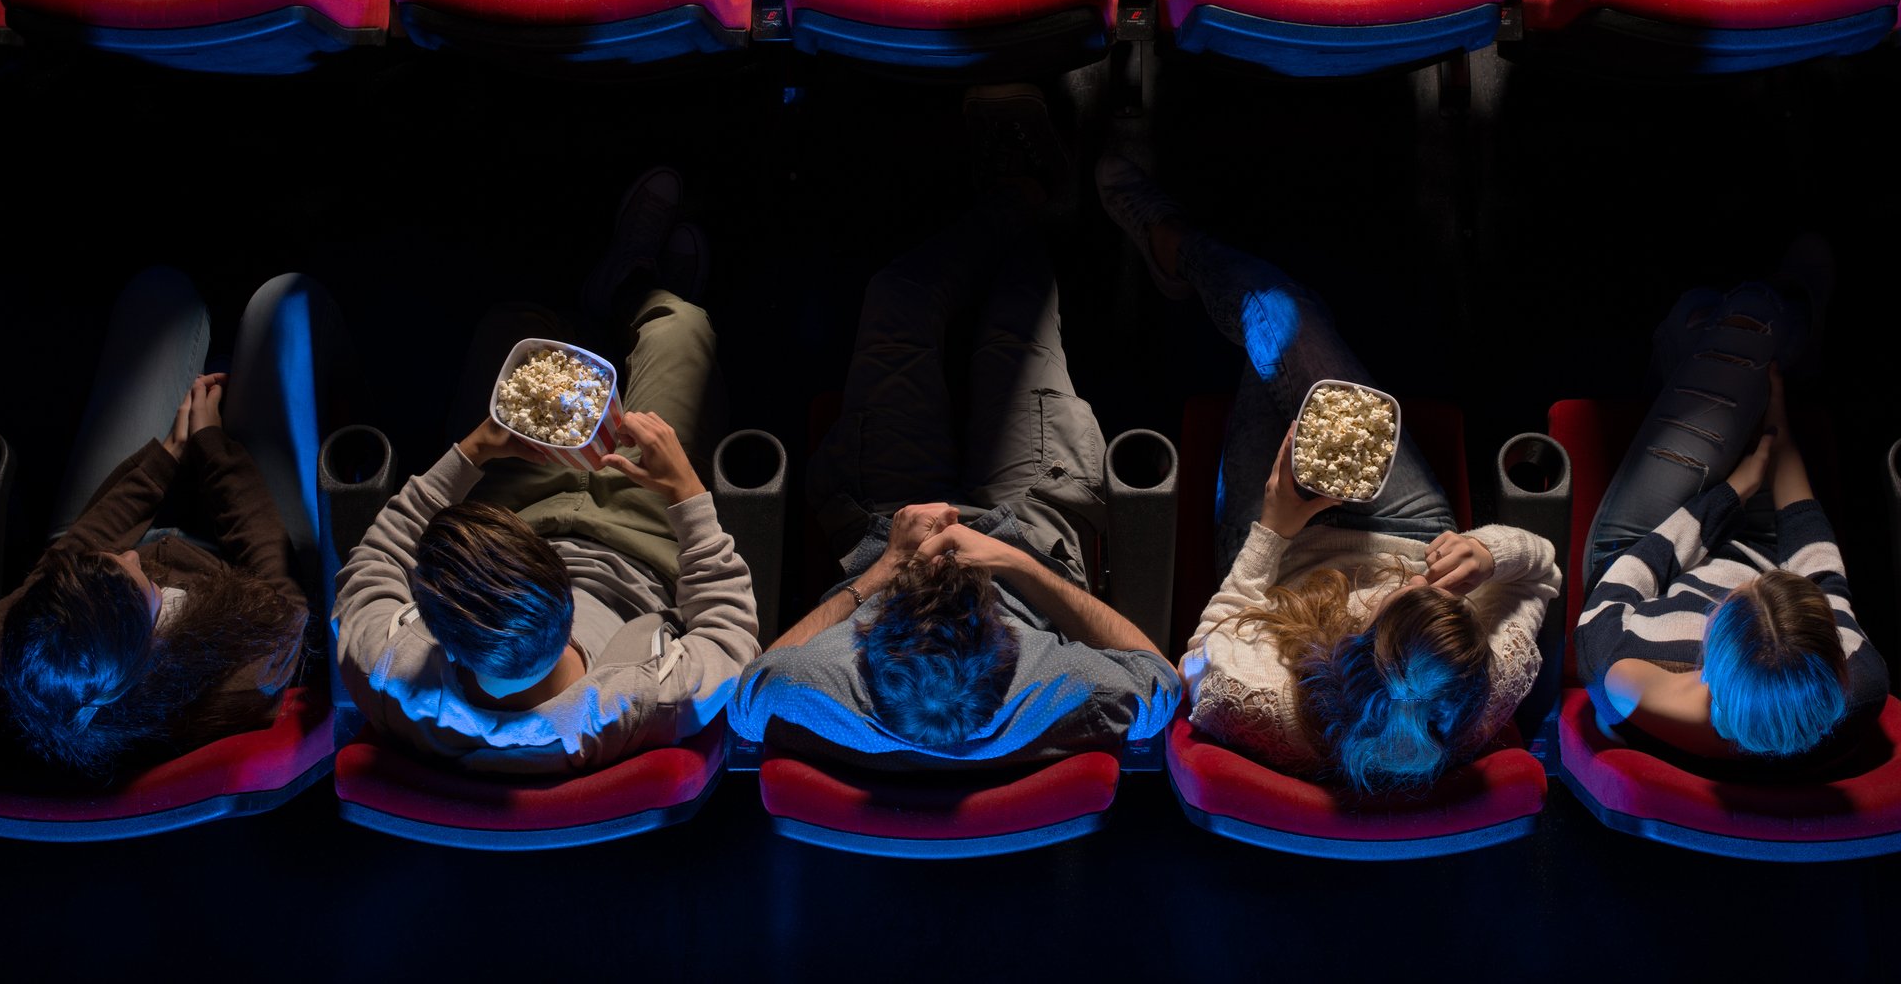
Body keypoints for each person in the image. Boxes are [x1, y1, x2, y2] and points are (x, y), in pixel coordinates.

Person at [728, 90, 1181, 769]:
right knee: (1017, 318)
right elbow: (1163, 684)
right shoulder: (1055, 690)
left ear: (865, 651)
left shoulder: (820, 688)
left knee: (896, 298)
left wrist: (892, 565)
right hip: (1030, 530)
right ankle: (1028, 201)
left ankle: (1010, 198)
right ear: (1009, 649)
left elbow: (748, 692)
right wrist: (1010, 563)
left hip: (883, 523)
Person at [1096, 154, 1562, 791]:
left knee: (1280, 319)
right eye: (1449, 601)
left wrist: (1274, 526)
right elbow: (1543, 572)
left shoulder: (1252, 698)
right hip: (1408, 527)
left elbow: (1203, 651)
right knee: (1279, 327)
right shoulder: (1485, 689)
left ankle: (1177, 250)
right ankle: (1204, 264)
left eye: (1417, 599)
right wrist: (1488, 551)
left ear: (1352, 645)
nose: (1438, 587)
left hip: (1281, 563)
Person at [334, 167, 759, 774]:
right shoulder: (647, 701)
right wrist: (688, 495)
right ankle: (635, 289)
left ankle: (597, 294)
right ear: (565, 599)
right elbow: (731, 634)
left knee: (512, 329)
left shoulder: (385, 667)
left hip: (512, 519)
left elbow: (374, 563)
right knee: (684, 329)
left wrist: (475, 451)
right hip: (646, 543)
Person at [0, 267, 341, 779]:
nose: (131, 555)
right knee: (280, 304)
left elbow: (67, 559)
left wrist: (168, 455)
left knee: (158, 293)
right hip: (245, 568)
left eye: (113, 567)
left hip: (108, 527)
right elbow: (279, 591)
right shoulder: (243, 682)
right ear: (152, 643)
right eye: (134, 578)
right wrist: (210, 448)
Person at [1573, 272, 1888, 763]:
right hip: (1763, 539)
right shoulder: (1857, 683)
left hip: (1650, 548)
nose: (1744, 582)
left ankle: (1736, 328)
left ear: (1707, 658)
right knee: (1739, 354)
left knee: (1732, 325)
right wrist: (1776, 432)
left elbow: (1623, 579)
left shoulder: (1624, 675)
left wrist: (1735, 489)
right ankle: (1778, 333)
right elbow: (1815, 553)